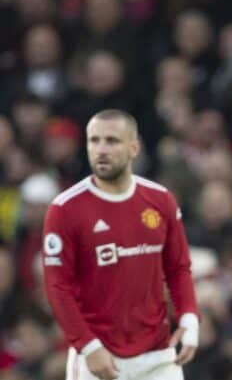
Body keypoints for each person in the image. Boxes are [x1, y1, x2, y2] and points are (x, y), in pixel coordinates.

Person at [42, 109, 199, 380]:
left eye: (112, 141)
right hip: (98, 356)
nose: (101, 149)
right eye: (94, 140)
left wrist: (189, 317)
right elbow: (58, 286)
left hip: (159, 356)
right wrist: (88, 346)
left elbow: (178, 267)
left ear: (134, 147)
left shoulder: (160, 200)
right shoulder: (65, 208)